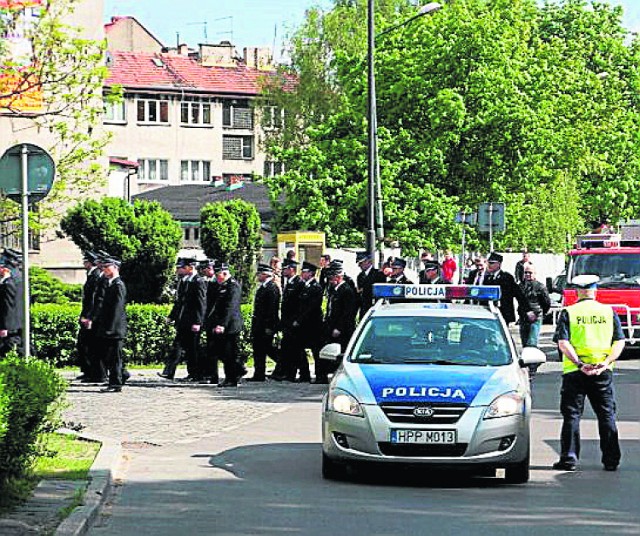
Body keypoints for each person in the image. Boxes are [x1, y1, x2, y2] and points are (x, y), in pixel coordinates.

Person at [552, 275, 625, 472]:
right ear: (595, 290)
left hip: (575, 372)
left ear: (577, 291)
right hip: (602, 371)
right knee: (606, 414)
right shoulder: (608, 312)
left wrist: (578, 363)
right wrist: (606, 362)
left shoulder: (569, 312)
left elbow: (563, 343)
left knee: (572, 415)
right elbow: (619, 341)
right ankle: (611, 459)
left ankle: (569, 458)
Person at [159, 258, 207, 381]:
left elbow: (201, 303)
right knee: (177, 346)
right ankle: (169, 372)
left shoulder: (199, 281)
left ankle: (196, 374)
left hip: (192, 322)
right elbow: (179, 303)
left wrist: (198, 322)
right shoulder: (183, 282)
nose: (178, 270)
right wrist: (171, 316)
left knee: (193, 349)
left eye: (181, 268)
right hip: (183, 321)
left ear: (190, 268)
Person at [90, 257, 127, 393]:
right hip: (109, 327)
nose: (104, 270)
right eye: (104, 267)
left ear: (115, 268)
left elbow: (117, 309)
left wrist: (110, 329)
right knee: (109, 356)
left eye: (107, 267)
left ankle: (116, 383)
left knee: (114, 358)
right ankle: (121, 375)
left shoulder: (118, 285)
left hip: (115, 329)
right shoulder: (111, 284)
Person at [206, 263, 245, 387]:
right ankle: (238, 370)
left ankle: (231, 378)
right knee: (221, 351)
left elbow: (230, 307)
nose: (217, 278)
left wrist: (222, 324)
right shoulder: (221, 285)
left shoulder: (233, 286)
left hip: (230, 325)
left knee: (229, 353)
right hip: (222, 324)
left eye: (218, 275)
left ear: (224, 273)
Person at [272, 258, 304, 381]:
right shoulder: (289, 283)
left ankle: (294, 373)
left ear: (291, 269)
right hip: (287, 322)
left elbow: (299, 305)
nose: (282, 271)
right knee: (287, 348)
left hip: (293, 323)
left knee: (295, 349)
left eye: (285, 269)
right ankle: (286, 372)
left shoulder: (298, 283)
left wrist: (296, 320)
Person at [482, 252, 535, 326]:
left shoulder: (506, 277)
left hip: (503, 312)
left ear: (499, 264)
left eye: (491, 263)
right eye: (488, 263)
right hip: (489, 312)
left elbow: (519, 294)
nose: (489, 265)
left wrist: (528, 310)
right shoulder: (487, 278)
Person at [248, 263, 280, 382]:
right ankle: (259, 374)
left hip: (266, 325)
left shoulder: (272, 288)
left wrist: (269, 326)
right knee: (259, 349)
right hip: (259, 324)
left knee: (266, 349)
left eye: (259, 274)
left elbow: (272, 309)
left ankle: (284, 364)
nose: (257, 276)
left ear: (265, 274)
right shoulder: (263, 287)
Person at [77, 251, 105, 382]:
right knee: (84, 344)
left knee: (90, 345)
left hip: (91, 316)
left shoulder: (96, 275)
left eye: (86, 261)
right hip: (87, 314)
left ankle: (95, 373)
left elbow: (94, 299)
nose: (84, 264)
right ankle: (88, 371)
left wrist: (89, 317)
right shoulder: (92, 275)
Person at [296, 261, 325, 383]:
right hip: (304, 325)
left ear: (311, 273)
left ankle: (320, 376)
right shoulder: (304, 286)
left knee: (316, 351)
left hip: (313, 325)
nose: (302, 273)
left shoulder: (316, 288)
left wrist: (299, 319)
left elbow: (311, 307)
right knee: (300, 349)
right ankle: (304, 374)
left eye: (304, 271)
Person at [324, 264, 358, 354]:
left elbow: (348, 312)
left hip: (343, 330)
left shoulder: (346, 291)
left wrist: (339, 328)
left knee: (340, 351)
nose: (330, 281)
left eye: (332, 278)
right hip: (332, 325)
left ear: (338, 277)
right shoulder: (334, 290)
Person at [518, 263, 551, 349]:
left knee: (532, 342)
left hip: (535, 317)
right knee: (524, 342)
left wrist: (539, 313)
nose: (527, 274)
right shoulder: (520, 286)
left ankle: (532, 361)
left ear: (535, 273)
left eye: (530, 272)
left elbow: (546, 303)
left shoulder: (540, 287)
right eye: (525, 272)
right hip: (523, 317)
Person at [0, 249, 22, 358]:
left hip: (11, 329)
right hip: (21, 324)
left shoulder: (8, 283)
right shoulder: (21, 278)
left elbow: (7, 306)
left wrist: (5, 327)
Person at [355, 251, 386, 320]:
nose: (359, 265)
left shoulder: (378, 274)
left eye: (361, 263)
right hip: (364, 309)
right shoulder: (360, 276)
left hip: (375, 307)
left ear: (368, 261)